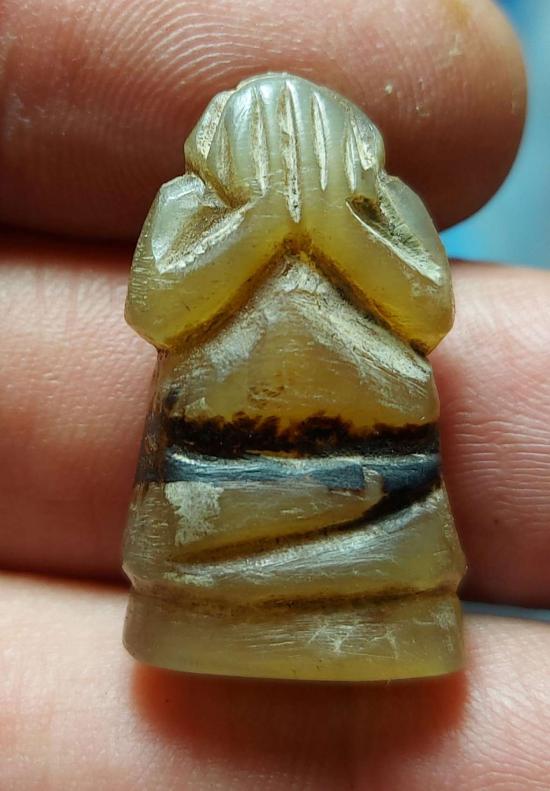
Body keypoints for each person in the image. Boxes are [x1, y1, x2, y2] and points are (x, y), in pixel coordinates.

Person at [1, 0, 548, 787]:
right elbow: (157, 306)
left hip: (378, 471)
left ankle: (378, 610)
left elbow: (429, 307)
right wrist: (262, 224)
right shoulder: (190, 205)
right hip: (212, 471)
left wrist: (334, 225)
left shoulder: (383, 206)